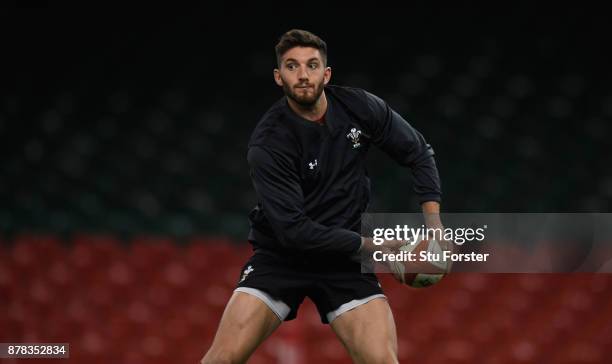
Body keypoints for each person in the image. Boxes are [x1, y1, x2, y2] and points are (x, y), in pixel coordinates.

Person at [201, 29, 442, 364]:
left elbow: (418, 153)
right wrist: (375, 246)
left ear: (326, 74)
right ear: (278, 76)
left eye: (312, 65)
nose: (303, 75)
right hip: (283, 257)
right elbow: (295, 231)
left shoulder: (359, 107)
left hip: (343, 263)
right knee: (221, 359)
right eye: (292, 66)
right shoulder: (269, 142)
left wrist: (435, 228)